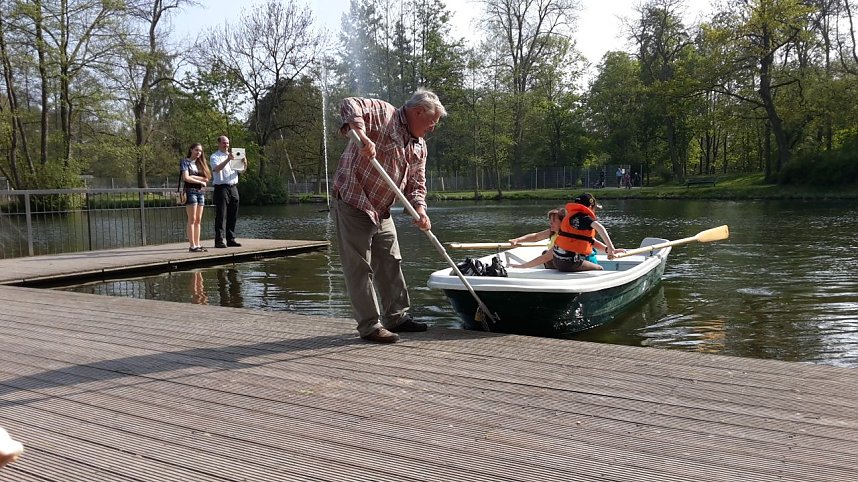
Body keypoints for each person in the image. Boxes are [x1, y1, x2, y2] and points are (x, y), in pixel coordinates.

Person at [332, 89, 446, 344]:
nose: (433, 128)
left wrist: (420, 210)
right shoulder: (385, 114)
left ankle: (397, 317)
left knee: (391, 260)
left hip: (382, 209)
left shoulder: (419, 146)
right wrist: (360, 135)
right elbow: (350, 104)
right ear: (418, 112)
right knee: (359, 267)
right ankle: (370, 325)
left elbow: (416, 184)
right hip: (354, 201)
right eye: (432, 121)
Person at [551, 192, 624, 272]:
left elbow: (590, 241)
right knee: (599, 268)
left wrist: (607, 250)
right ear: (590, 207)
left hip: (557, 260)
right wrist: (611, 247)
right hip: (569, 262)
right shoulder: (583, 218)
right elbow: (600, 228)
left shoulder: (571, 217)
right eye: (594, 208)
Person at [210, 135, 246, 248]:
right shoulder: (215, 156)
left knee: (233, 214)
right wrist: (228, 159)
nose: (226, 145)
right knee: (221, 215)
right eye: (224, 143)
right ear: (219, 143)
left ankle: (231, 239)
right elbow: (216, 169)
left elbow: (242, 171)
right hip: (221, 188)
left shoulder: (234, 156)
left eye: (227, 143)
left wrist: (245, 163)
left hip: (233, 187)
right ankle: (219, 240)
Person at [180, 143, 211, 252]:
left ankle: (198, 244)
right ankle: (192, 245)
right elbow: (186, 178)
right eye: (196, 150)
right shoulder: (185, 162)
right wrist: (199, 180)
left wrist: (194, 177)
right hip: (190, 191)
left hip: (200, 192)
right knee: (192, 219)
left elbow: (206, 178)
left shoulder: (200, 163)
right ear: (191, 150)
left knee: (198, 220)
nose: (198, 153)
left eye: (200, 151)